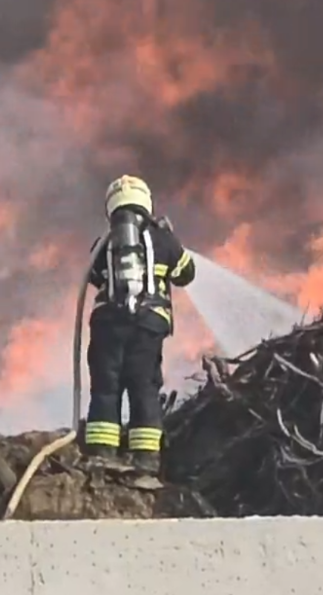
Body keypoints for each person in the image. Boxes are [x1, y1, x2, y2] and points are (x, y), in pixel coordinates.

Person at [83, 174, 196, 482]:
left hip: (107, 326)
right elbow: (187, 274)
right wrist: (169, 242)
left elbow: (93, 277)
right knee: (143, 385)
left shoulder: (104, 243)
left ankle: (101, 453)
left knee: (106, 386)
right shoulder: (163, 239)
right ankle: (145, 458)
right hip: (148, 326)